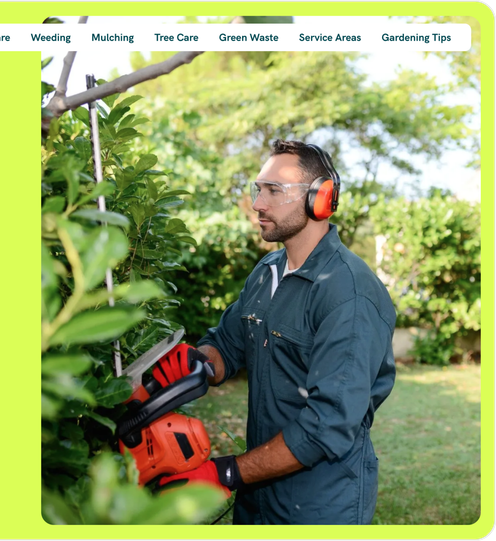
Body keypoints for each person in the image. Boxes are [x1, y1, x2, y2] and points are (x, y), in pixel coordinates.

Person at [153, 139, 397, 525]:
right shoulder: (267, 271)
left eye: (273, 191)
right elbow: (227, 344)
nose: (257, 204)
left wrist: (226, 472)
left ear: (320, 198)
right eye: (258, 189)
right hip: (258, 497)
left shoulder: (348, 293)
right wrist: (196, 363)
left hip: (320, 506)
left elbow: (326, 426)